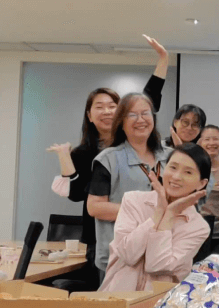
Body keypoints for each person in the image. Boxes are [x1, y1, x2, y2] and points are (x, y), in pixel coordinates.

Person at [47, 35, 169, 288]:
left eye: (112, 106)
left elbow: (147, 99)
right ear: (89, 116)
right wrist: (64, 157)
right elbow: (82, 198)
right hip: (107, 239)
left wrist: (163, 60)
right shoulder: (98, 156)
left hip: (156, 246)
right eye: (99, 107)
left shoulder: (161, 154)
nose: (107, 111)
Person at [99, 143, 211, 292]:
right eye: (173, 167)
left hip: (160, 302)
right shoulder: (133, 200)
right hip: (118, 296)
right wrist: (158, 214)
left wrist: (169, 216)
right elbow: (127, 254)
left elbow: (156, 265)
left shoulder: (198, 227)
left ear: (201, 183)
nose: (177, 176)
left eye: (188, 172)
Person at [87, 93, 172, 281]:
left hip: (164, 255)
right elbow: (94, 207)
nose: (140, 120)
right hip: (121, 260)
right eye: (132, 115)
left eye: (145, 113)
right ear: (121, 122)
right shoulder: (108, 159)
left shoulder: (171, 157)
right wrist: (148, 214)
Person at [197, 125, 219, 262]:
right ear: (200, 143)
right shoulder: (194, 168)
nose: (211, 143)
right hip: (197, 232)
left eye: (215, 139)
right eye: (207, 139)